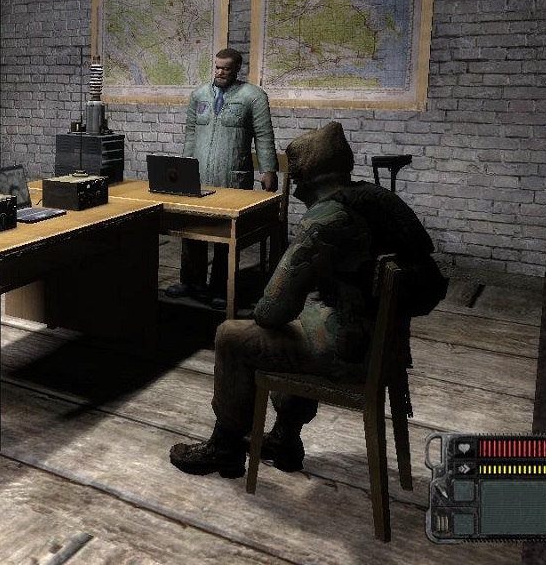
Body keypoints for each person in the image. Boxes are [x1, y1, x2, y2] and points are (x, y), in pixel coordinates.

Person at [168, 121, 438, 478]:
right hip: (386, 344)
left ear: (307, 179)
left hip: (353, 352)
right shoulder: (371, 199)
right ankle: (284, 438)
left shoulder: (326, 218)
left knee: (232, 336)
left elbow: (270, 311)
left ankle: (226, 447)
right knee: (306, 315)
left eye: (296, 180)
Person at [165, 47, 278, 308]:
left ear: (237, 69)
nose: (220, 72)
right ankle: (191, 281)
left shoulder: (253, 97)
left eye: (226, 68)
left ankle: (220, 286)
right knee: (191, 227)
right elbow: (191, 132)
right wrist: (184, 166)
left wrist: (269, 170)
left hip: (233, 177)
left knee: (226, 234)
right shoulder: (199, 95)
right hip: (199, 174)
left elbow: (264, 135)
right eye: (217, 67)